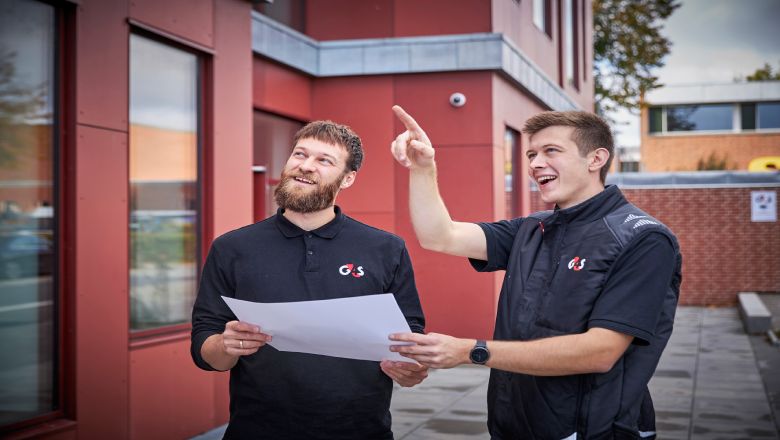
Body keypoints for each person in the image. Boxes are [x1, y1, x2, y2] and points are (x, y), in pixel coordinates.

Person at [388, 106, 682, 440]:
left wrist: (469, 350)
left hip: (594, 430)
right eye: (531, 154)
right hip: (513, 424)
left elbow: (601, 351)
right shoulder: (532, 228)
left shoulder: (643, 239)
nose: (534, 163)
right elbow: (439, 236)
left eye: (550, 151)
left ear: (596, 159)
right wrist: (423, 168)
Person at [191, 120, 428, 439]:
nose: (305, 166)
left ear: (348, 179)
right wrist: (225, 344)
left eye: (324, 160)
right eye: (299, 154)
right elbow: (207, 351)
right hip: (257, 430)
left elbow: (409, 337)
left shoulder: (386, 249)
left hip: (360, 431)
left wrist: (411, 370)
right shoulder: (232, 248)